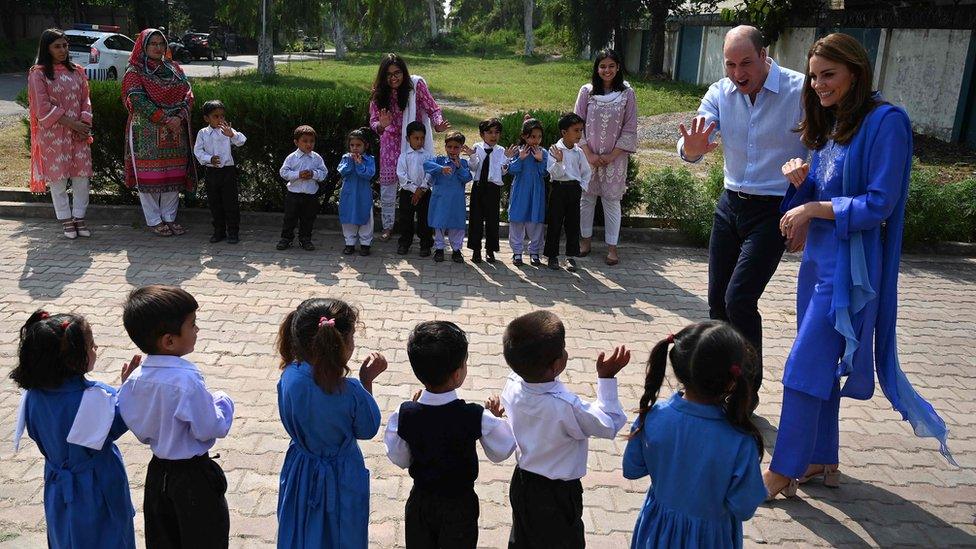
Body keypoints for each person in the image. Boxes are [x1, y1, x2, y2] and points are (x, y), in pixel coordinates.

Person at [763, 33, 956, 499]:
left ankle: (782, 469)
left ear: (856, 72)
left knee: (803, 364)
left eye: (829, 74)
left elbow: (879, 203)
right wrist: (800, 185)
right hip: (818, 263)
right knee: (820, 366)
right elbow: (818, 195)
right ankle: (819, 458)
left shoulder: (886, 121)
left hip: (853, 269)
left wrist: (814, 210)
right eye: (813, 76)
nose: (819, 84)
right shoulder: (833, 124)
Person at [676, 25, 807, 404]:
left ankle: (747, 391)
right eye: (730, 64)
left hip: (773, 209)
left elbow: (825, 145)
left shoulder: (800, 91)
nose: (738, 73)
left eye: (746, 63)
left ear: (765, 56)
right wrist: (693, 147)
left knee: (739, 299)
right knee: (717, 301)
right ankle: (716, 383)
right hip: (730, 204)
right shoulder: (720, 92)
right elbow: (695, 139)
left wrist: (807, 181)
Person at [623, 321, 767, 548]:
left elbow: (632, 469)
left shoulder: (653, 417)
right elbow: (744, 506)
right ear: (732, 379)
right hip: (711, 540)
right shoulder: (740, 440)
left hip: (657, 531)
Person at [501, 311, 630, 548]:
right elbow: (610, 423)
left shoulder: (511, 385)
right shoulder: (566, 407)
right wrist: (607, 378)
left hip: (523, 482)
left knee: (523, 536)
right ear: (557, 365)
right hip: (557, 494)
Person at [10, 310, 139, 549]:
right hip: (97, 488)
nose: (96, 348)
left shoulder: (32, 396)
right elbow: (120, 420)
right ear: (72, 359)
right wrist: (127, 390)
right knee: (108, 538)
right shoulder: (95, 398)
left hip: (58, 487)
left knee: (65, 538)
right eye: (91, 345)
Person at [118, 285, 234, 548]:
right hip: (193, 478)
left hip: (157, 475)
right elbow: (209, 427)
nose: (197, 330)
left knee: (163, 540)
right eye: (192, 324)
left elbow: (137, 425)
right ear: (169, 341)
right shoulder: (186, 379)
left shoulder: (134, 378)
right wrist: (224, 403)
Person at [384, 321, 516, 548]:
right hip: (459, 505)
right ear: (457, 375)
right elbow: (503, 449)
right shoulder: (474, 415)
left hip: (420, 503)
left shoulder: (404, 413)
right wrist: (496, 419)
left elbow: (400, 458)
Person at [276, 298, 387, 549]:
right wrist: (367, 381)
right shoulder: (351, 391)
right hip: (341, 474)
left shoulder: (290, 376)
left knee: (300, 528)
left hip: (301, 468)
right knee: (342, 534)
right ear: (340, 344)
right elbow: (368, 428)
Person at [369, 53, 451, 241]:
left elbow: (433, 108)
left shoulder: (415, 86)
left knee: (419, 181)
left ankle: (422, 227)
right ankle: (388, 226)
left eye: (397, 72)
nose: (394, 78)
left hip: (414, 141)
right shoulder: (379, 93)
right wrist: (382, 125)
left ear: (403, 72)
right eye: (389, 74)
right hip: (390, 143)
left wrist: (438, 123)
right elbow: (373, 123)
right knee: (389, 185)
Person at [122, 28, 196, 237]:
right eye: (152, 44)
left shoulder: (174, 68)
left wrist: (179, 117)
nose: (158, 48)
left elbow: (189, 94)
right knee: (149, 177)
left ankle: (170, 218)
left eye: (161, 43)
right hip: (146, 132)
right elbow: (138, 100)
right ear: (143, 47)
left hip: (175, 130)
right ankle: (154, 220)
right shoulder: (134, 71)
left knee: (174, 175)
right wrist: (164, 119)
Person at [27, 29, 94, 239]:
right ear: (47, 48)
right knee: (58, 180)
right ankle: (66, 219)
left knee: (81, 177)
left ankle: (79, 218)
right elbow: (43, 109)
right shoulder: (38, 74)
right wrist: (74, 124)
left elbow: (86, 100)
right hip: (53, 136)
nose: (63, 50)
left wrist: (83, 124)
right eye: (57, 46)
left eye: (65, 45)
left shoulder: (78, 71)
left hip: (79, 134)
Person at [574, 49, 638, 266]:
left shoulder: (627, 93)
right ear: (596, 68)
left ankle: (612, 248)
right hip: (587, 157)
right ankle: (585, 242)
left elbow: (630, 128)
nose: (607, 70)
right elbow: (576, 125)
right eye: (602, 66)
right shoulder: (587, 92)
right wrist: (589, 153)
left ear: (618, 67)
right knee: (587, 200)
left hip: (616, 159)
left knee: (612, 202)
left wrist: (612, 155)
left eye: (611, 66)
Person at [193, 99, 246, 244]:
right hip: (212, 172)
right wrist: (209, 159)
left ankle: (233, 232)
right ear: (206, 118)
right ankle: (219, 231)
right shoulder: (203, 133)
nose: (220, 119)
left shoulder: (228, 130)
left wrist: (232, 135)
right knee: (215, 203)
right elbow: (197, 151)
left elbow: (241, 141)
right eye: (216, 116)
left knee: (231, 203)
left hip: (228, 172)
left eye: (222, 116)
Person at [546, 112, 592, 272]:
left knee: (573, 224)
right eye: (576, 130)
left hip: (574, 189)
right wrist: (559, 161)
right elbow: (554, 173)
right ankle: (552, 256)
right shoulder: (554, 150)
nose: (579, 134)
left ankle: (571, 256)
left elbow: (586, 171)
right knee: (555, 223)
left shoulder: (578, 151)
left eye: (581, 130)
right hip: (559, 188)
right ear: (564, 132)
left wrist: (582, 186)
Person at [463, 118, 508, 264]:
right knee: (476, 218)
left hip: (493, 188)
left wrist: (507, 160)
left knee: (492, 219)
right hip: (478, 187)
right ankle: (476, 249)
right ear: (482, 134)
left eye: (497, 132)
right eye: (489, 132)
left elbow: (503, 172)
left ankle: (490, 249)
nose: (493, 136)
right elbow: (474, 167)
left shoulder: (501, 151)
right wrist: (472, 155)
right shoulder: (477, 147)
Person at [277, 125, 328, 252]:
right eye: (305, 141)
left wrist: (313, 174)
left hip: (310, 194)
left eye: (311, 141)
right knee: (290, 217)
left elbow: (323, 173)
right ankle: (286, 238)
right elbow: (283, 173)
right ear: (296, 142)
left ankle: (305, 239)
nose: (309, 144)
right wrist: (298, 175)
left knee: (308, 218)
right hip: (293, 194)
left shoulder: (316, 158)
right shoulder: (291, 158)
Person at [425, 131, 472, 263]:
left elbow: (467, 178)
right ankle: (439, 248)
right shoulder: (438, 160)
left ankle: (456, 250)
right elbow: (426, 166)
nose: (452, 150)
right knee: (439, 224)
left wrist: (459, 167)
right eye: (449, 147)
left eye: (456, 147)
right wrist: (441, 169)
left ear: (461, 148)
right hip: (440, 200)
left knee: (456, 226)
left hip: (456, 202)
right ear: (445, 147)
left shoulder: (463, 163)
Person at [507, 117, 548, 268]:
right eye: (532, 136)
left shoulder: (543, 152)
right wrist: (520, 159)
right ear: (524, 136)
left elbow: (545, 173)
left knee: (535, 222)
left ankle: (535, 252)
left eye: (539, 137)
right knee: (517, 220)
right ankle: (517, 252)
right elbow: (511, 170)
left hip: (536, 192)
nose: (536, 140)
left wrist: (539, 160)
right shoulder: (518, 152)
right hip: (520, 191)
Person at [395, 121, 435, 257]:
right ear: (408, 139)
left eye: (422, 138)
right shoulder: (404, 156)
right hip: (407, 193)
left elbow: (431, 174)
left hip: (424, 193)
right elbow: (402, 175)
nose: (419, 141)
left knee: (425, 219)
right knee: (406, 219)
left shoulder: (428, 156)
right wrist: (414, 189)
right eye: (416, 138)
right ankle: (404, 243)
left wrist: (422, 189)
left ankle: (425, 244)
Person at [338, 128, 378, 256]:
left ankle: (365, 244)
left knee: (365, 217)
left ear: (365, 145)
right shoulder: (346, 158)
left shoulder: (369, 159)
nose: (355, 148)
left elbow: (369, 175)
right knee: (348, 218)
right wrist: (351, 162)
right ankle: (349, 243)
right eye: (352, 145)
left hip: (363, 194)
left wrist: (360, 164)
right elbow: (343, 172)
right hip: (349, 194)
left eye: (358, 145)